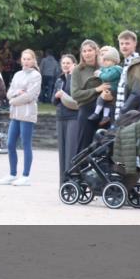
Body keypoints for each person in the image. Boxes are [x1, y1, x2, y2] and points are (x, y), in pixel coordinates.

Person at [0, 49, 41, 186]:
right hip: (15, 114)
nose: (26, 61)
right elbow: (9, 92)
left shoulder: (36, 75)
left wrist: (12, 101)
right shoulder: (17, 74)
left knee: (25, 144)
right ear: (21, 60)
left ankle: (26, 175)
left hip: (27, 114)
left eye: (29, 59)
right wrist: (17, 92)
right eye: (24, 59)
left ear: (33, 60)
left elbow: (30, 95)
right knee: (10, 143)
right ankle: (12, 174)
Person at [113, 30, 140, 122]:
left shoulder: (137, 65)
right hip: (128, 115)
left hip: (134, 116)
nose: (124, 46)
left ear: (135, 44)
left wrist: (123, 111)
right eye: (122, 43)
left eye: (127, 43)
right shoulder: (127, 64)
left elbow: (137, 92)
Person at [71, 39, 102, 153]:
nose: (87, 53)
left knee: (102, 145)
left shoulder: (104, 68)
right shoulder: (78, 70)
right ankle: (81, 170)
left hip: (104, 110)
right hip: (86, 110)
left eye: (90, 50)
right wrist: (96, 90)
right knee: (83, 146)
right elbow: (75, 94)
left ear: (96, 51)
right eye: (84, 51)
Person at [53, 54, 80, 183]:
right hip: (61, 117)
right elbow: (53, 101)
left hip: (73, 117)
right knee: (62, 152)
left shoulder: (75, 78)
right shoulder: (59, 80)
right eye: (63, 63)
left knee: (71, 151)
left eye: (68, 63)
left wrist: (70, 75)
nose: (65, 65)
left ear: (74, 64)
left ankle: (72, 182)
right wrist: (58, 96)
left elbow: (74, 96)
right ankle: (63, 183)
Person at [87, 46, 123, 128]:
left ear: (114, 61)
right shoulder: (106, 68)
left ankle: (96, 113)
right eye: (104, 59)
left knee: (101, 99)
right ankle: (106, 116)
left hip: (113, 89)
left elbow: (108, 77)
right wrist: (99, 72)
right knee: (107, 103)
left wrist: (99, 74)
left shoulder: (116, 69)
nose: (105, 62)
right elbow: (103, 70)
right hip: (108, 89)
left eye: (107, 60)